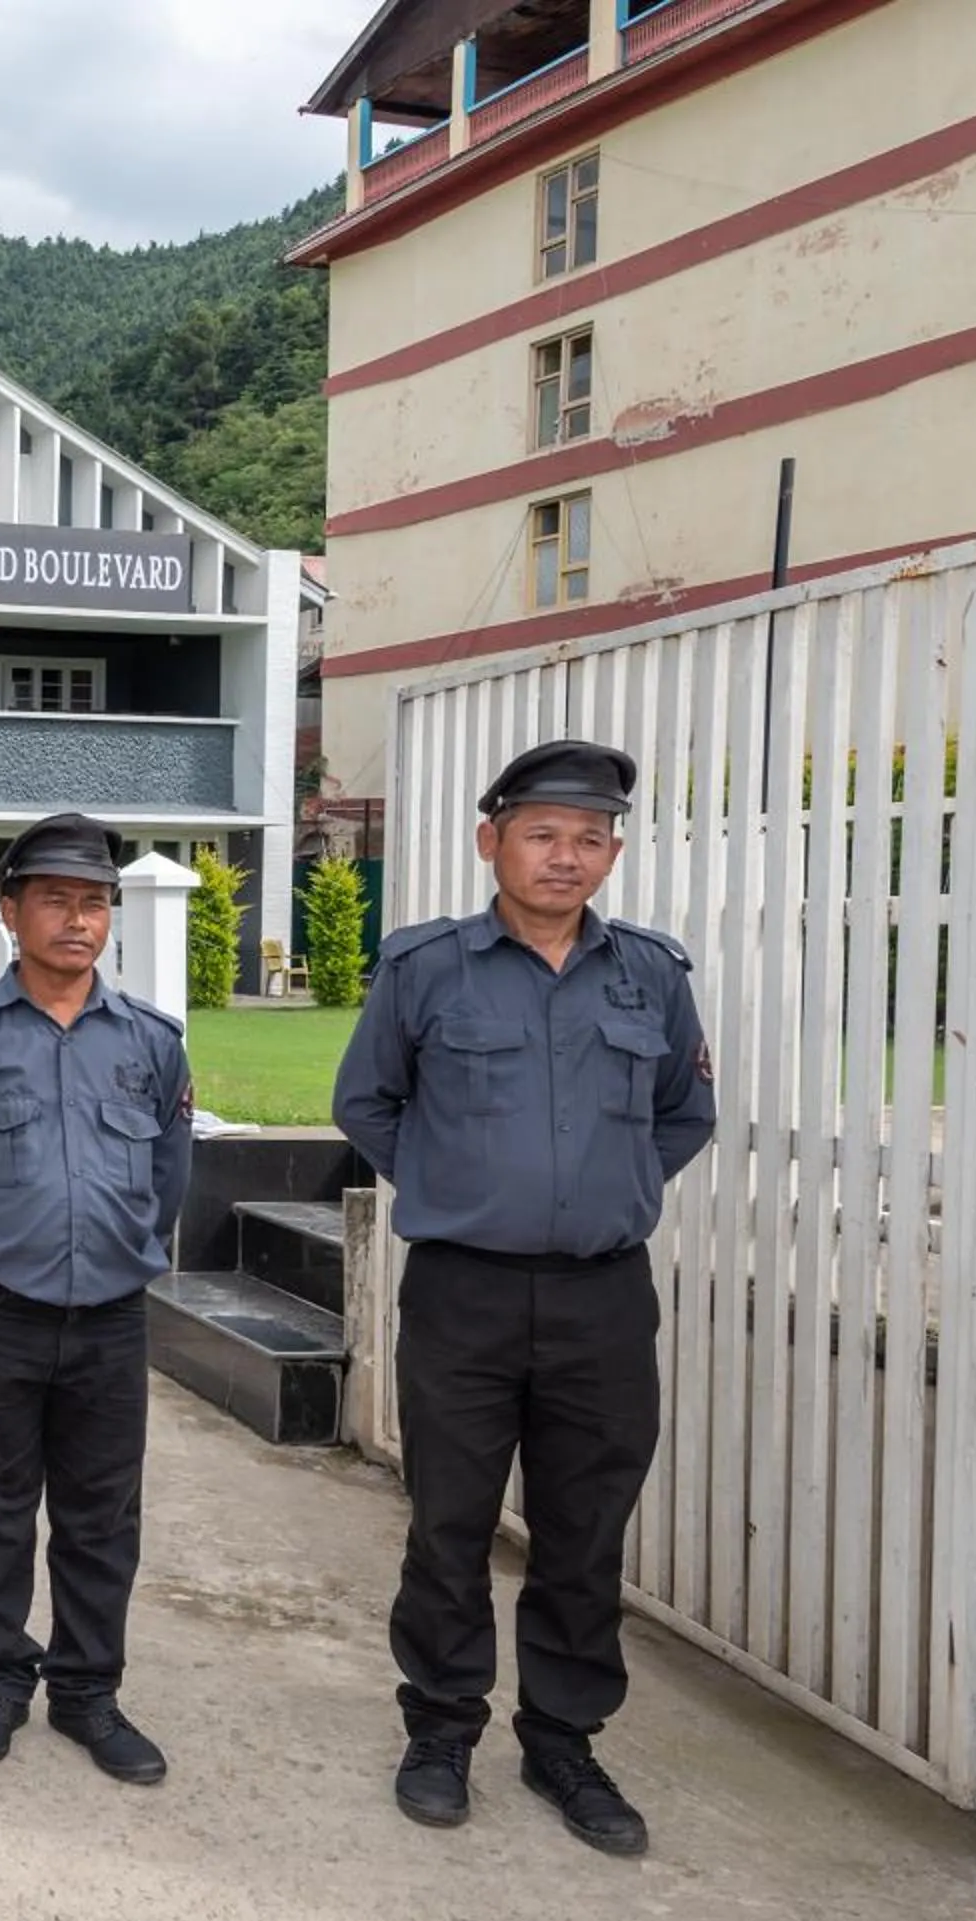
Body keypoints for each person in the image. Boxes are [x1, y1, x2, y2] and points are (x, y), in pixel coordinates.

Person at [331, 738, 715, 1856]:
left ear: (614, 852)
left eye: (590, 838)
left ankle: (563, 1740)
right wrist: (460, 1186)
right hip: (466, 1294)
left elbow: (682, 1117)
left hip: (603, 1300)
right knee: (449, 1522)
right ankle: (442, 1726)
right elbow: (368, 1102)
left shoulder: (651, 974)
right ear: (492, 839)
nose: (567, 856)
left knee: (584, 1532)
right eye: (544, 834)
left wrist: (613, 1189)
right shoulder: (426, 969)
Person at [0, 812, 194, 1778]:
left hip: (111, 1316)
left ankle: (89, 1694)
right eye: (57, 899)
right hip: (0, 1312)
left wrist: (125, 1251)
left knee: (104, 1511)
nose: (79, 919)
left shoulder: (150, 1044)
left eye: (96, 901)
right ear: (11, 910)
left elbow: (172, 1176)